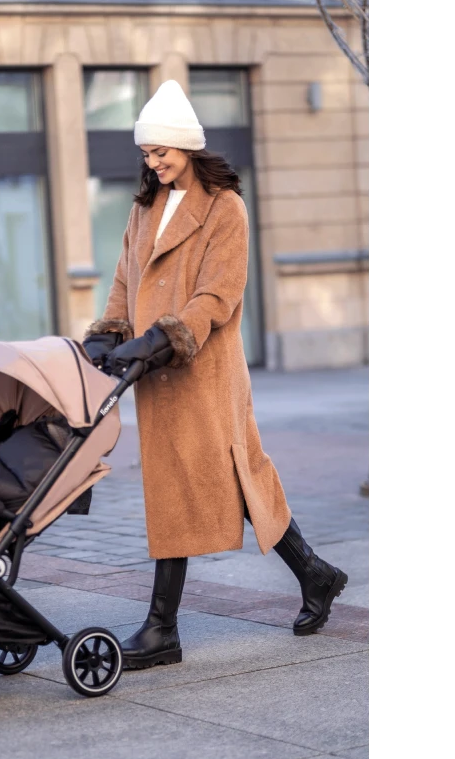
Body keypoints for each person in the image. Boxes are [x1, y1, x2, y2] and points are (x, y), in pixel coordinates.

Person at [82, 80, 348, 671]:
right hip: (156, 375)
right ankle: (315, 575)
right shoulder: (144, 207)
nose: (154, 162)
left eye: (163, 152)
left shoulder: (225, 207)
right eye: (147, 153)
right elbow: (126, 281)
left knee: (228, 474)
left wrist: (167, 336)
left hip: (202, 371)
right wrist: (110, 330)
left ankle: (162, 628)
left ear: (187, 147)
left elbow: (219, 293)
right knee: (196, 482)